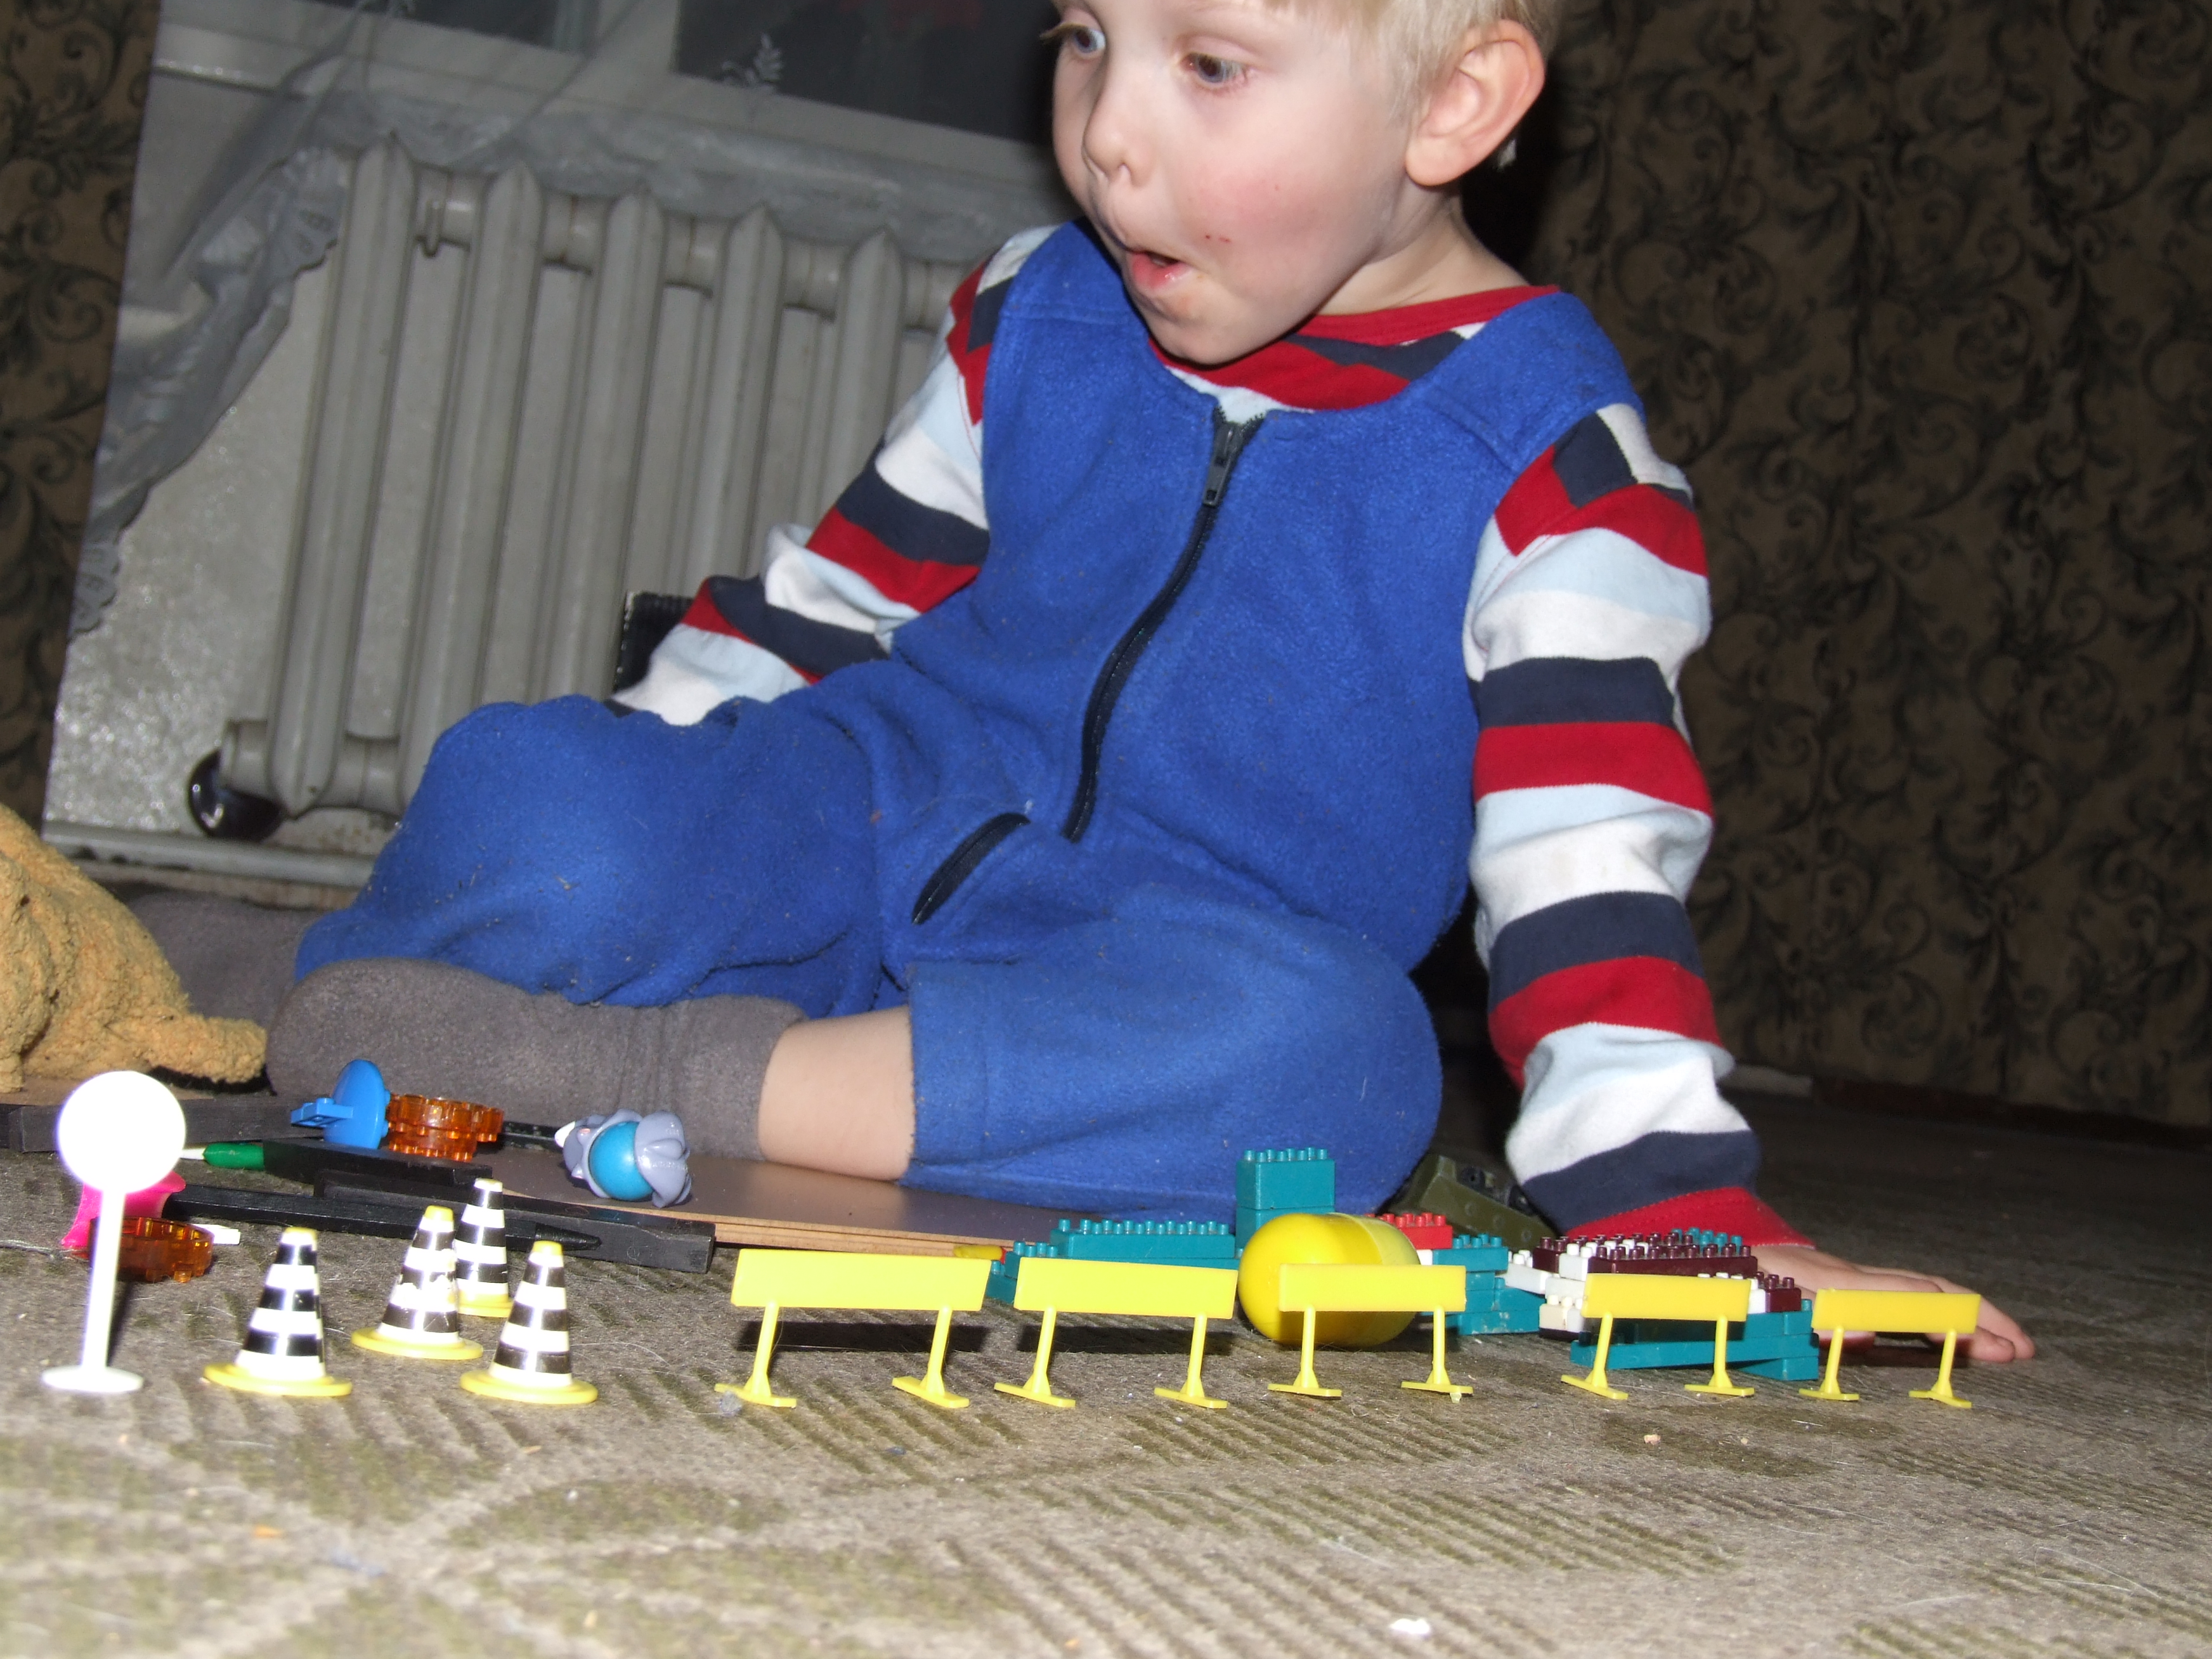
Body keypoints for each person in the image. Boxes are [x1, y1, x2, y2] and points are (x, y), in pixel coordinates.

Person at [273, 0, 2030, 1360]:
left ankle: (602, 1063)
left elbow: (1588, 872)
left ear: (1455, 105)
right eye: (1084, 37)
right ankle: (390, 995)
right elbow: (831, 601)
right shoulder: (1037, 309)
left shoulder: (1558, 470)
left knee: (1342, 1072)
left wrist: (1678, 1222)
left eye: (1207, 64)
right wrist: (650, 804)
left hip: (1161, 968)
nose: (1106, 133)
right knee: (545, 783)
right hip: (869, 821)